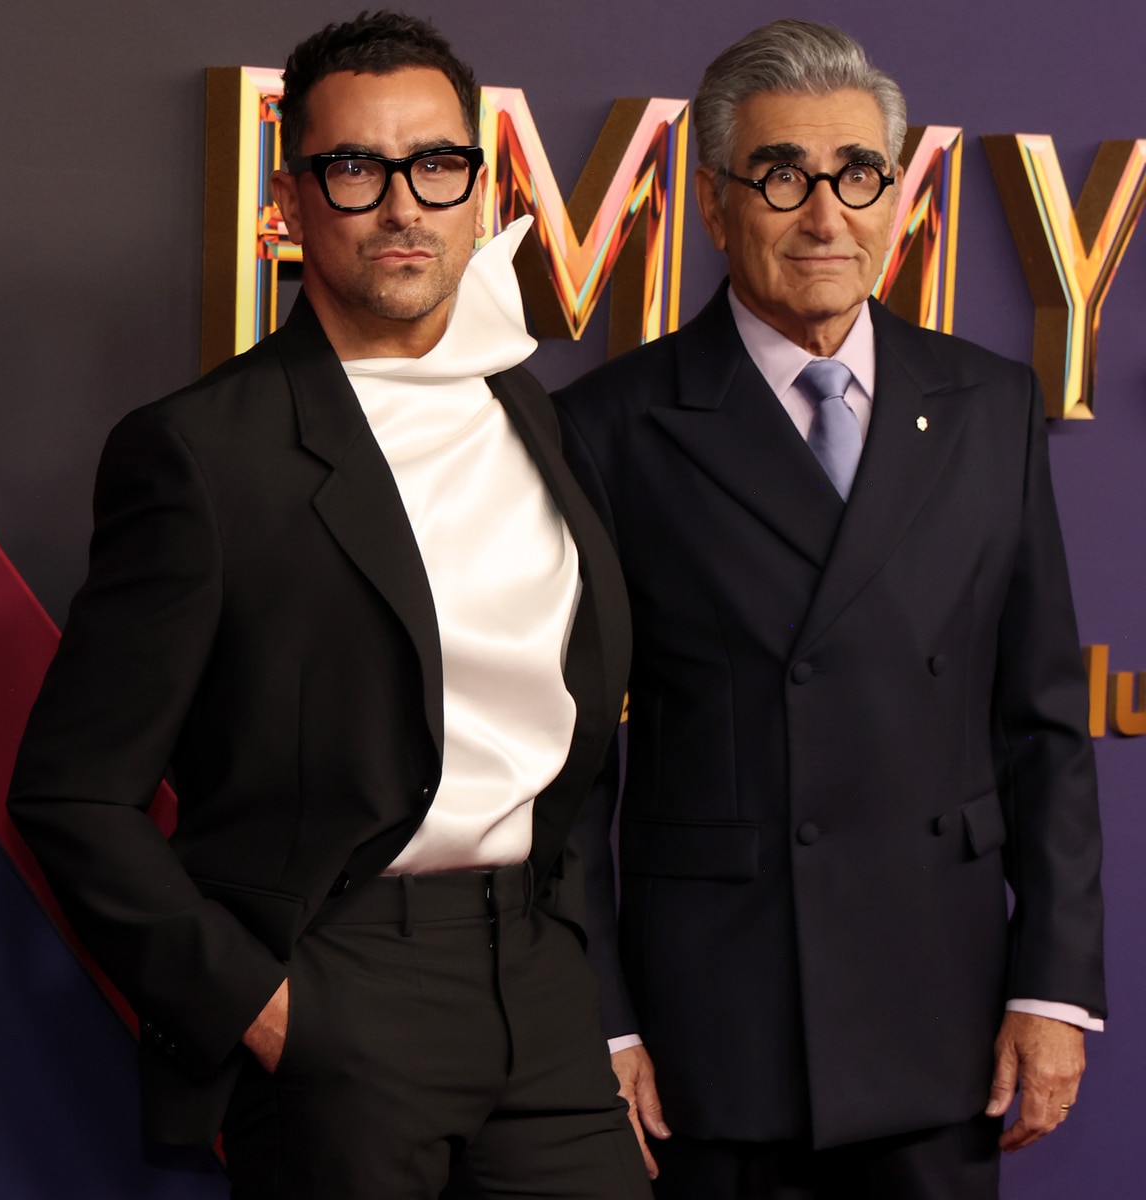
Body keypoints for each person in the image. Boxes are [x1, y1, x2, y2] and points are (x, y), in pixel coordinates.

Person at [7, 13, 652, 1200]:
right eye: (357, 168)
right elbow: (71, 792)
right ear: (295, 201)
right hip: (342, 1000)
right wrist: (261, 1012)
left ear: (478, 187)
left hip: (544, 998)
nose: (403, 204)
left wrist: (587, 987)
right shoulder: (201, 454)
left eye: (436, 165)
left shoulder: (534, 413)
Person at [554, 19, 1105, 1200]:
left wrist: (1051, 987)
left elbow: (1045, 723)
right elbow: (572, 769)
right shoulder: (612, 428)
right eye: (783, 175)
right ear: (714, 205)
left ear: (895, 195)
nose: (826, 215)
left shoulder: (990, 405)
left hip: (941, 1017)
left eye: (860, 176)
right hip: (720, 1025)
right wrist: (599, 1019)